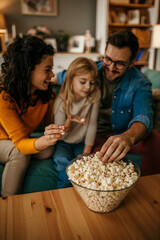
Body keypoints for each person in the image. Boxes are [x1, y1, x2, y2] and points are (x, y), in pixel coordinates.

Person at [51, 30, 153, 163]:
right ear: (104, 54)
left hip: (120, 134)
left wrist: (128, 136)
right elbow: (62, 76)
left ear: (132, 62)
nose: (111, 68)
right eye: (108, 59)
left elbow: (143, 115)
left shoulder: (140, 83)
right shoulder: (91, 71)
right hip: (94, 136)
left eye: (120, 63)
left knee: (155, 139)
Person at [0, 35, 64, 196]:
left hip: (19, 140)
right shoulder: (3, 96)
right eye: (47, 70)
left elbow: (50, 125)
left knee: (48, 149)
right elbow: (21, 144)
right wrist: (43, 140)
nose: (51, 75)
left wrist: (62, 125)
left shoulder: (46, 93)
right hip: (2, 141)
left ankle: (22, 158)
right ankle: (8, 203)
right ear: (28, 69)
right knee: (20, 152)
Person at [51, 57, 100, 188]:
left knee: (85, 165)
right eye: (83, 82)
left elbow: (92, 124)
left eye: (92, 82)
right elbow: (60, 133)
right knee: (62, 162)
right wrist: (69, 121)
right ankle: (64, 192)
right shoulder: (61, 100)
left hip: (81, 141)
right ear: (71, 79)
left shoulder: (94, 96)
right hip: (63, 141)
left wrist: (86, 151)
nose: (88, 87)